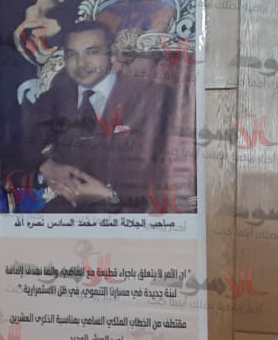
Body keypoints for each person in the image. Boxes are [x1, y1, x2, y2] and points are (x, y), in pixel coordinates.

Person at [16, 20, 191, 213]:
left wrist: (110, 195)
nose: (81, 64)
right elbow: (15, 151)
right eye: (72, 55)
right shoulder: (53, 100)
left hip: (137, 212)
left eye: (92, 52)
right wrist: (46, 167)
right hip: (69, 210)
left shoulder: (155, 97)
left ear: (112, 54)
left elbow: (177, 170)